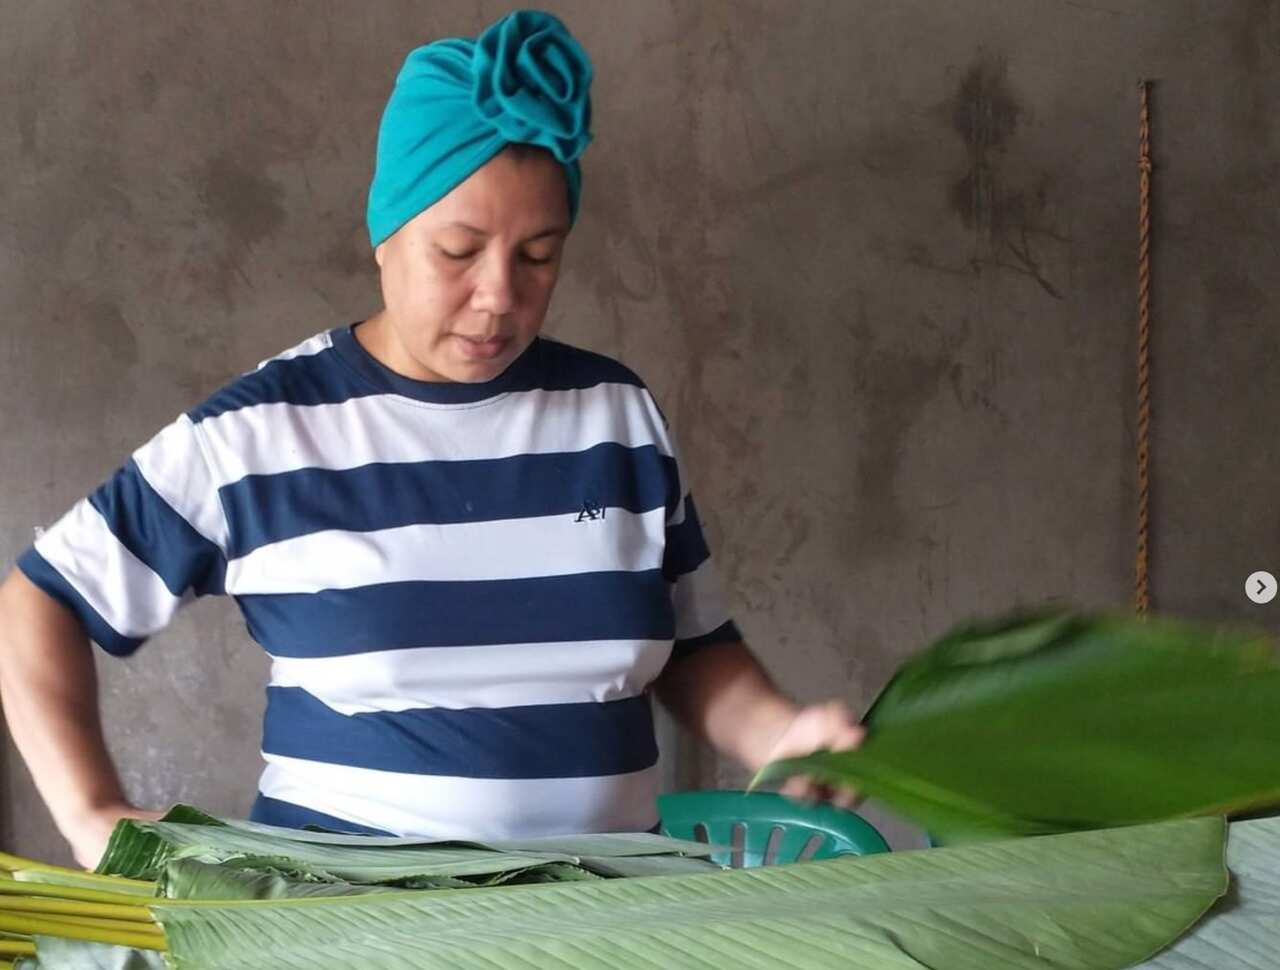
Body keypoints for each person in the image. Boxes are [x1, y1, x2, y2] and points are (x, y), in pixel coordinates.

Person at [0, 9, 863, 868]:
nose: (498, 296)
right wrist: (90, 813)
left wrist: (780, 732)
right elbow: (41, 599)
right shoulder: (262, 436)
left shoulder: (616, 414)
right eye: (458, 251)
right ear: (386, 236)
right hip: (352, 934)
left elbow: (692, 646)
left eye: (538, 255)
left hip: (607, 920)